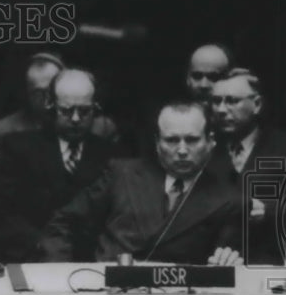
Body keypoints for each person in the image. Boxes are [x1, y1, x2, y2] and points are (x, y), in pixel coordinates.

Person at [40, 101, 243, 265]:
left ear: (210, 141)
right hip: (110, 294)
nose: (182, 150)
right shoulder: (122, 174)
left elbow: (222, 261)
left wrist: (224, 264)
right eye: (172, 140)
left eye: (191, 140)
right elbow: (64, 223)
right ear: (157, 143)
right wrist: (59, 271)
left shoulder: (228, 199)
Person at [0, 69, 118, 262]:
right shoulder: (18, 149)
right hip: (33, 258)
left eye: (84, 111)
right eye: (66, 110)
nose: (75, 119)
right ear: (51, 106)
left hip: (91, 262)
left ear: (95, 108)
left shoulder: (110, 154)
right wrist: (38, 245)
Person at [0, 52, 118, 202]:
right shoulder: (1, 135)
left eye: (54, 89)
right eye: (39, 93)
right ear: (27, 94)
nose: (48, 100)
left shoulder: (101, 128)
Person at [208, 69, 286, 264]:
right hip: (214, 265)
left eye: (232, 101)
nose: (221, 110)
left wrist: (267, 211)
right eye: (216, 101)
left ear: (257, 104)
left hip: (269, 266)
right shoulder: (204, 149)